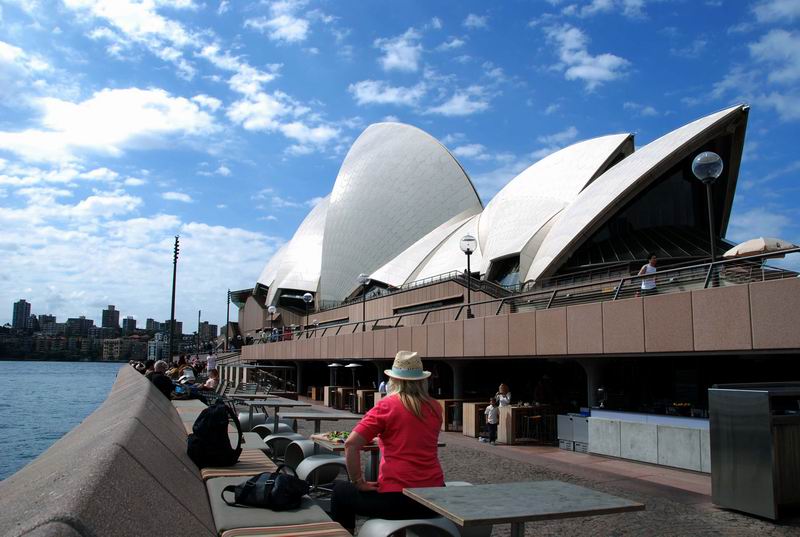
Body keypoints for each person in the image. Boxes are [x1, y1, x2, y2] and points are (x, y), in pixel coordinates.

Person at [331, 351, 443, 533]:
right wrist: (384, 438)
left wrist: (359, 482)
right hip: (433, 497)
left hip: (398, 498)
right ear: (422, 380)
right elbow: (413, 436)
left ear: (394, 380)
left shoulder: (387, 405)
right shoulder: (435, 407)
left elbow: (351, 444)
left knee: (339, 493)